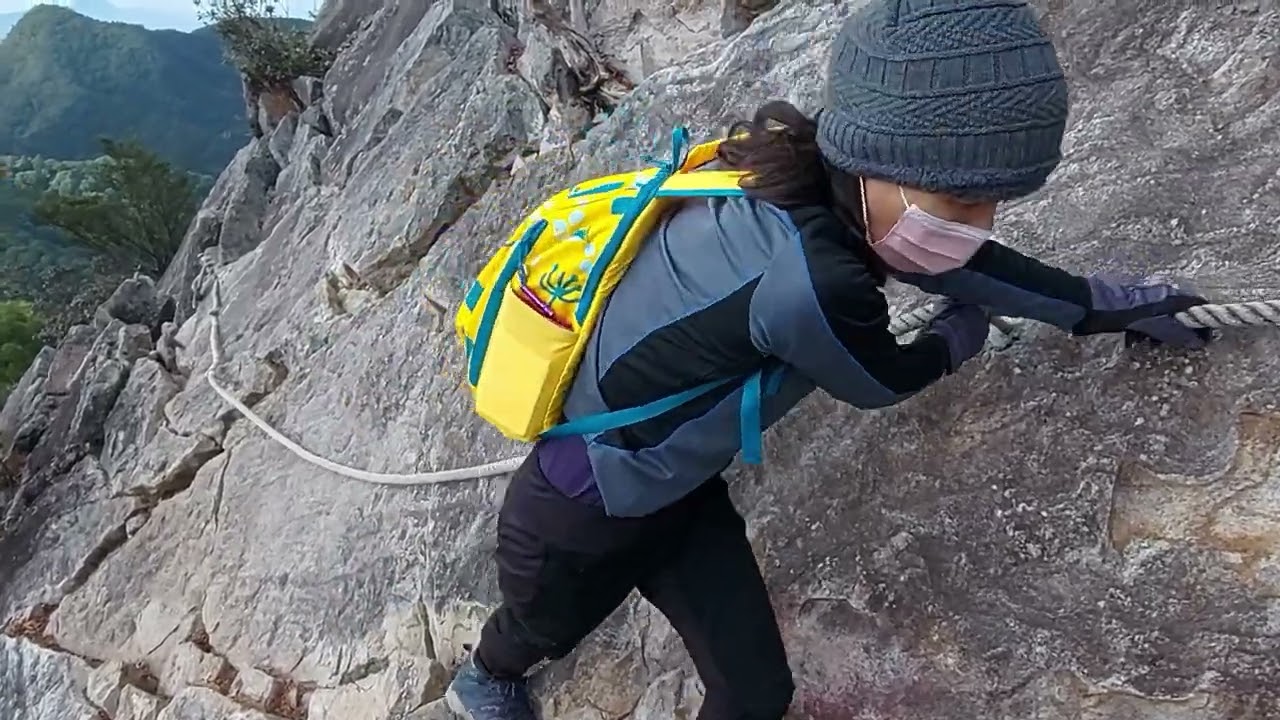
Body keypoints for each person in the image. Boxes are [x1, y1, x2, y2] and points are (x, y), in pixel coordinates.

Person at [445, 1, 1211, 718]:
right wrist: (953, 340)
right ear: (877, 161)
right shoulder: (812, 279)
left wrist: (1103, 304)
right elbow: (879, 379)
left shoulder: (802, 178)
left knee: (756, 694)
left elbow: (961, 262)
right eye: (964, 204)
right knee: (539, 628)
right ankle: (482, 680)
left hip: (676, 493)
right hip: (578, 512)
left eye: (992, 203)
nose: (981, 224)